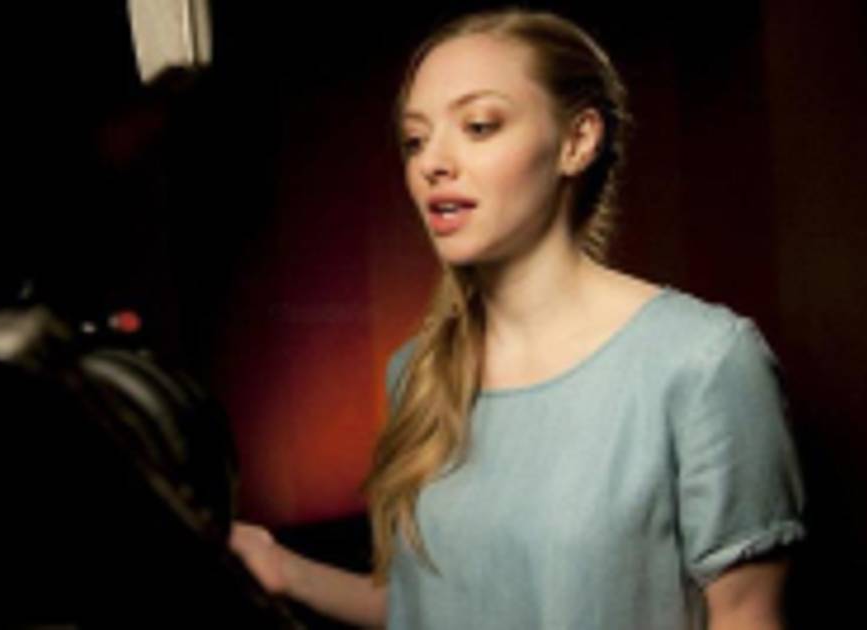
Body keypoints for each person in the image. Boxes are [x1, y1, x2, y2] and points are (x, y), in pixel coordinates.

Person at [230, 8, 806, 629]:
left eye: (479, 126)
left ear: (577, 141)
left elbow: (746, 618)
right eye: (416, 140)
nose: (432, 163)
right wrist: (285, 571)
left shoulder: (702, 363)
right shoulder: (417, 376)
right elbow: (430, 607)